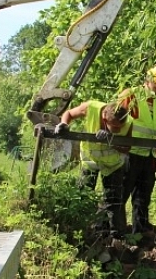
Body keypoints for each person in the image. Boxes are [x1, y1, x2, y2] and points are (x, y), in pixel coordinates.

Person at [55, 100, 133, 237]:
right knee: (83, 196)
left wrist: (111, 139)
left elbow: (127, 148)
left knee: (114, 201)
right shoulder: (91, 108)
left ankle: (116, 238)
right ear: (104, 118)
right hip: (89, 160)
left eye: (120, 127)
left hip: (112, 165)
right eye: (114, 127)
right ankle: (79, 232)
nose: (119, 130)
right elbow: (69, 113)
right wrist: (64, 124)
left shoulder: (128, 121)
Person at [117, 63, 156, 236]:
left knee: (142, 199)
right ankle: (113, 234)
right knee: (120, 197)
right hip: (129, 155)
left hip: (148, 158)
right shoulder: (131, 95)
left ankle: (139, 234)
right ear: (150, 80)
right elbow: (114, 121)